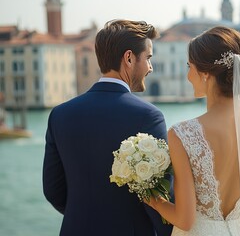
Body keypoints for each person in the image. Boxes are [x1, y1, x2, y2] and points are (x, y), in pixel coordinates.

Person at [145, 26, 240, 236]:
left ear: (206, 74)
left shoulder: (183, 133)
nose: (188, 75)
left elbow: (185, 219)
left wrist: (151, 198)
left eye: (189, 66)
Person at [42, 19, 173, 236]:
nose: (150, 67)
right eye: (148, 58)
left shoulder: (60, 114)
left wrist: (85, 215)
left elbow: (53, 190)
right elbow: (161, 196)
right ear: (129, 58)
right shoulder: (148, 116)